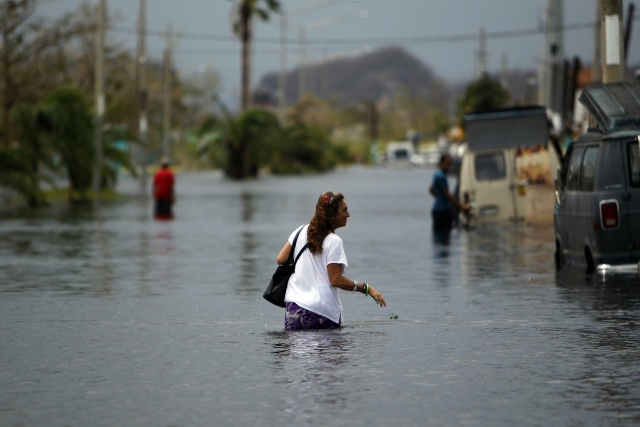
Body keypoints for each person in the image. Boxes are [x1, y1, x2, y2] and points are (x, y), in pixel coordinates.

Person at [276, 191, 386, 330]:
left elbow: (280, 259)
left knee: (299, 351)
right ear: (332, 215)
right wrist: (366, 288)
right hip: (321, 312)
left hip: (294, 309)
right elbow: (336, 279)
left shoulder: (300, 231)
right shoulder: (334, 241)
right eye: (344, 210)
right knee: (333, 351)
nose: (348, 215)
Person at [429, 154, 470, 232]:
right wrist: (461, 207)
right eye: (447, 163)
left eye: (450, 163)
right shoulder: (441, 176)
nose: (449, 166)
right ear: (441, 163)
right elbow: (447, 195)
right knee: (445, 235)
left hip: (436, 209)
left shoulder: (436, 174)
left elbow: (431, 189)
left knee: (438, 235)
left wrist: (439, 198)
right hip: (443, 211)